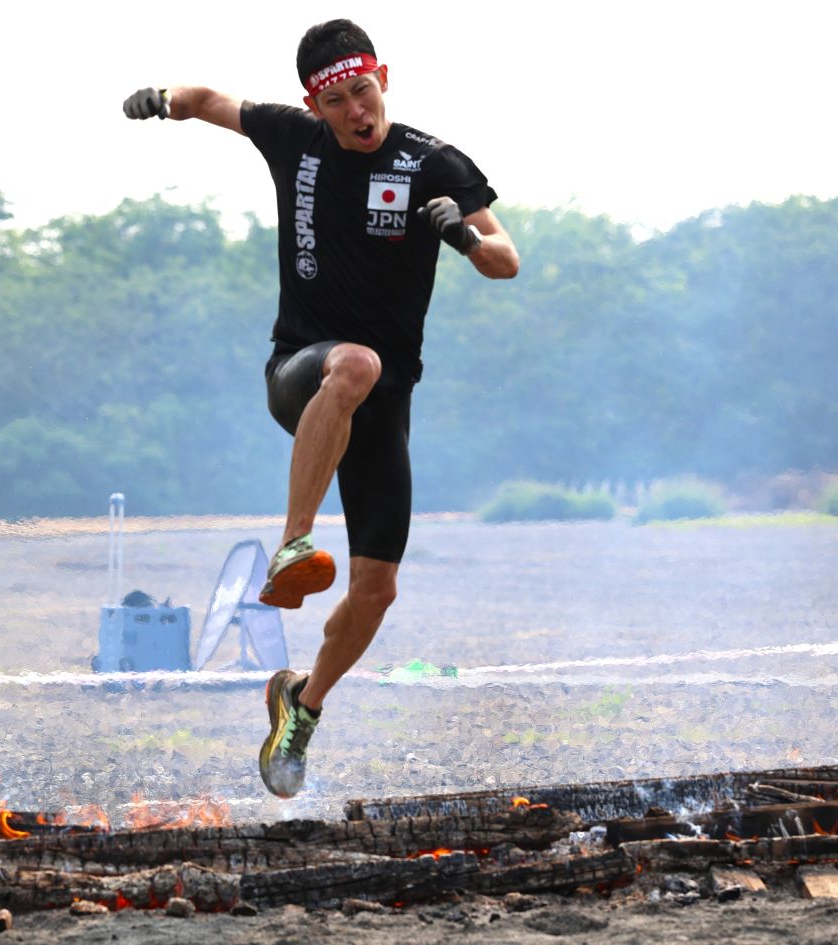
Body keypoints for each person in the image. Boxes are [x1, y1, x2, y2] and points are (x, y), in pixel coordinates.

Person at [123, 18, 519, 798]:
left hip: (382, 406)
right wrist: (163, 99)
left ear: (383, 81)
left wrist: (465, 239)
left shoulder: (432, 163)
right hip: (302, 374)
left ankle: (300, 705)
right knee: (355, 361)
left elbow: (506, 260)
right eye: (336, 101)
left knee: (376, 590)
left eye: (363, 92)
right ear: (316, 105)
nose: (355, 112)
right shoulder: (293, 139)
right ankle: (292, 545)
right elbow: (207, 101)